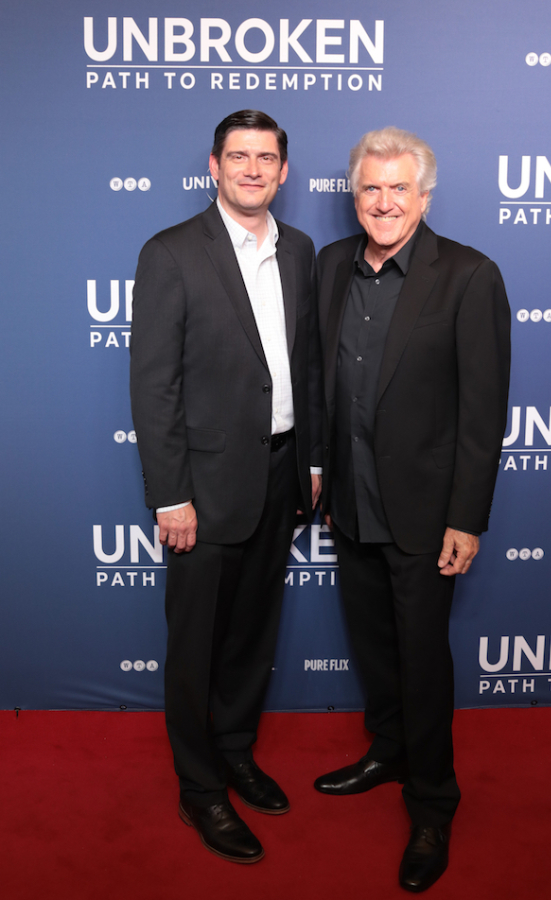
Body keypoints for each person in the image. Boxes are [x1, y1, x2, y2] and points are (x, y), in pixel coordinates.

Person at [314, 127, 510, 892]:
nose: (384, 202)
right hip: (352, 507)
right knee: (374, 647)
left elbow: (481, 414)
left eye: (400, 188)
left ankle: (433, 802)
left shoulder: (468, 275)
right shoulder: (333, 267)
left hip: (428, 516)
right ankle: (387, 751)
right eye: (371, 188)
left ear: (425, 197)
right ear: (354, 196)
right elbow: (324, 383)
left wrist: (468, 517)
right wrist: (322, 479)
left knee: (423, 659)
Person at [130, 110, 321, 864]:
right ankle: (200, 784)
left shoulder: (301, 251)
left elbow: (304, 367)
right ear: (213, 166)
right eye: (237, 156)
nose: (251, 169)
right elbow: (154, 386)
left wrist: (310, 462)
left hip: (281, 472)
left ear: (282, 172)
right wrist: (169, 494)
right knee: (196, 644)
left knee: (252, 633)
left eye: (265, 157)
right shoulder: (172, 254)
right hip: (203, 489)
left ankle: (237, 749)